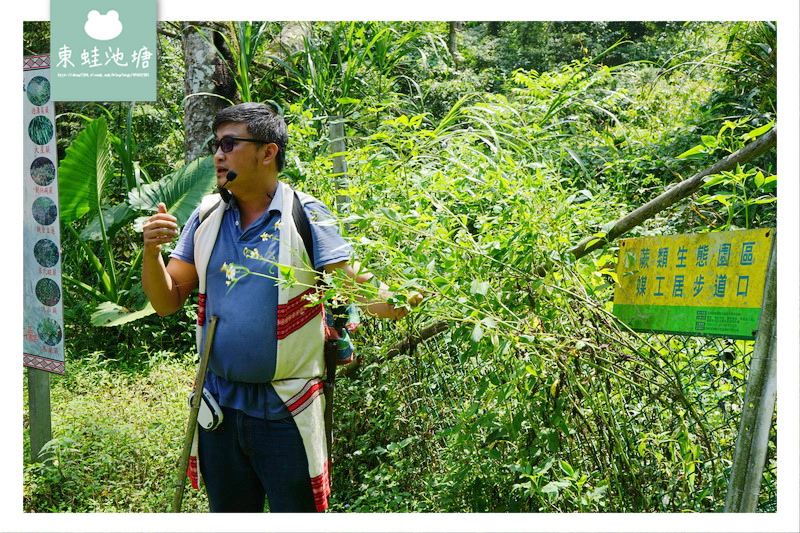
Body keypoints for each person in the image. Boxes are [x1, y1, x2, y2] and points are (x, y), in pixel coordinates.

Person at [142, 102, 421, 513]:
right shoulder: (205, 217)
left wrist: (397, 303)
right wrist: (151, 252)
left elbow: (350, 284)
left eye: (230, 144)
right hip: (218, 405)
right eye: (215, 144)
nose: (218, 155)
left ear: (267, 152)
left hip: (285, 408)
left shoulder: (303, 215)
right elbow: (166, 301)